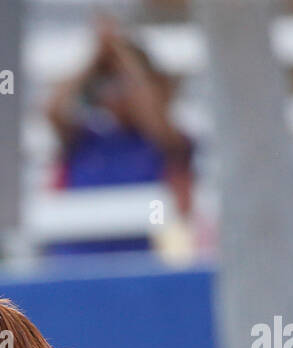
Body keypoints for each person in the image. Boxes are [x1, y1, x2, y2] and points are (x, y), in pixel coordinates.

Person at [45, 15, 193, 253]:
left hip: (142, 263)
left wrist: (121, 52)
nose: (116, 92)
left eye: (122, 82)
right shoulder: (85, 139)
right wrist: (94, 57)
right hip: (74, 261)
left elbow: (152, 109)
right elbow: (52, 110)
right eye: (108, 82)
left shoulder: (166, 141)